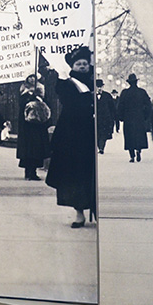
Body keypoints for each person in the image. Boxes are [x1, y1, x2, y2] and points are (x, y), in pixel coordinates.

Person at [45, 46, 96, 228]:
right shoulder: (67, 84)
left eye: (85, 64)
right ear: (72, 67)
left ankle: (95, 210)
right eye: (78, 64)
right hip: (73, 135)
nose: (82, 66)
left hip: (90, 134)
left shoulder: (94, 83)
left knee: (91, 173)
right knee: (76, 174)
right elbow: (64, 96)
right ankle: (79, 213)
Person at [16, 74, 50, 180]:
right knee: (28, 148)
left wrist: (38, 97)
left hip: (38, 124)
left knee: (37, 148)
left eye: (34, 77)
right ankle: (28, 171)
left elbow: (47, 104)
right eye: (30, 77)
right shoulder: (23, 90)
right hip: (27, 124)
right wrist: (29, 96)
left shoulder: (41, 89)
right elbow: (21, 104)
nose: (32, 79)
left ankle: (33, 171)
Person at [118, 73, 151, 162]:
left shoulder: (125, 93)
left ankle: (132, 156)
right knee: (139, 135)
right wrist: (145, 116)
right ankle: (138, 150)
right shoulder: (142, 92)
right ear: (136, 82)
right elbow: (148, 105)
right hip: (139, 117)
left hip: (128, 118)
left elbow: (120, 106)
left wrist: (121, 117)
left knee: (129, 136)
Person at [95, 79, 115, 154]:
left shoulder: (107, 95)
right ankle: (99, 146)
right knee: (97, 134)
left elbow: (112, 107)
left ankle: (101, 148)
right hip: (96, 118)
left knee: (104, 134)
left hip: (105, 119)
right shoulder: (91, 95)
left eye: (101, 86)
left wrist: (113, 117)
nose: (99, 88)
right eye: (97, 86)